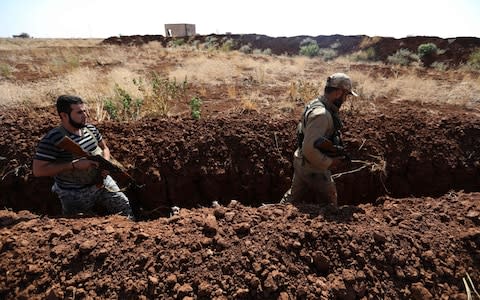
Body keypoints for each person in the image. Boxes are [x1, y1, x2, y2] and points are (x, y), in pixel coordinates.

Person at [33, 95, 133, 218]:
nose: (85, 115)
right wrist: (73, 165)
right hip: (74, 193)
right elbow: (38, 170)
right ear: (64, 115)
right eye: (79, 112)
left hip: (101, 182)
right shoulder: (53, 139)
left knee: (124, 207)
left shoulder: (91, 129)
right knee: (80, 223)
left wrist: (105, 164)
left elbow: (104, 148)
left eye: (85, 110)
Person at [280, 73, 358, 208]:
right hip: (314, 168)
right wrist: (330, 162)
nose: (345, 99)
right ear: (338, 92)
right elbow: (310, 148)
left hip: (302, 161)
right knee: (330, 204)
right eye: (345, 95)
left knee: (292, 197)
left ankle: (276, 215)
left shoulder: (316, 103)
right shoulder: (322, 115)